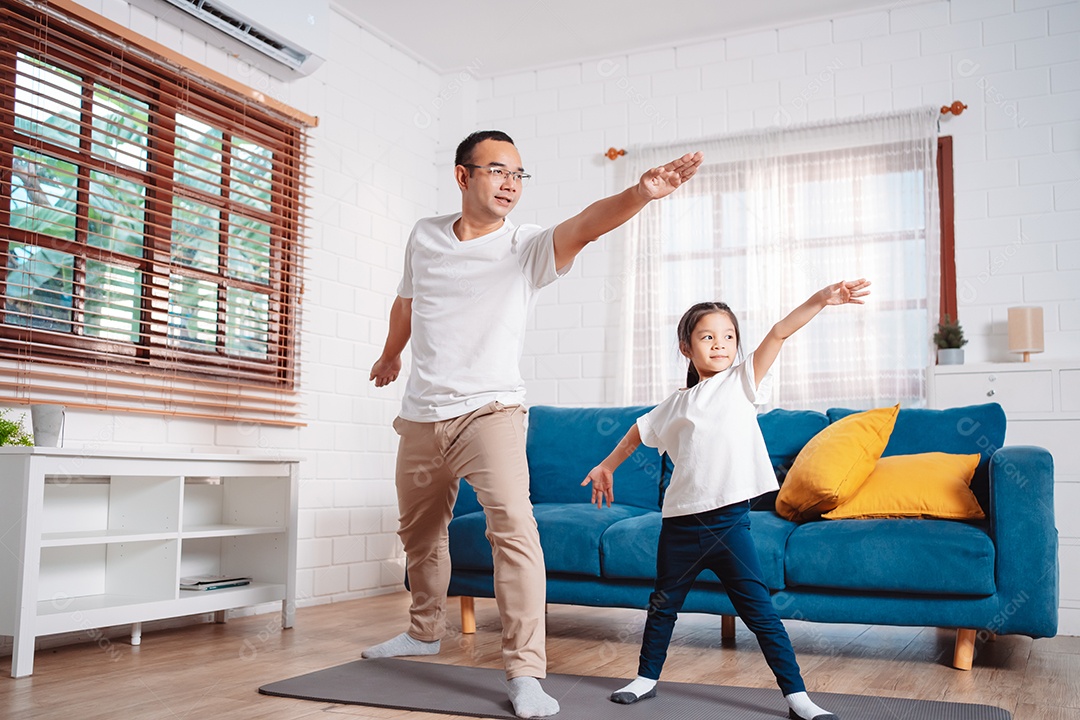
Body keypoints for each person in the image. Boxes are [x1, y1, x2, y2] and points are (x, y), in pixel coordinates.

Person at [366, 129, 703, 719]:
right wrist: (392, 352)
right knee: (418, 535)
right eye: (498, 171)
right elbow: (407, 302)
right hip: (421, 415)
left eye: (519, 175)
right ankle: (423, 631)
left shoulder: (526, 246)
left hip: (491, 412)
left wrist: (641, 193)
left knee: (514, 533)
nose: (511, 184)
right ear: (462, 175)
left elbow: (587, 224)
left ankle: (525, 670)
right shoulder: (424, 234)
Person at [581, 279, 872, 720]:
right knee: (663, 604)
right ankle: (646, 678)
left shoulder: (741, 382)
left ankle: (798, 698)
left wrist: (820, 301)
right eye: (708, 336)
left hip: (728, 525)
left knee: (760, 613)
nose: (720, 344)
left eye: (729, 336)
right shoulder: (676, 403)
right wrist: (606, 466)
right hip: (679, 524)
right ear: (686, 347)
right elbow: (636, 433)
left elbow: (778, 332)